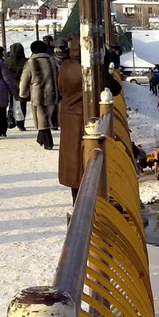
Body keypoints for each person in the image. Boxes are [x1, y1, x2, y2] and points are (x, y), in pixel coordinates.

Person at [57, 37, 122, 201]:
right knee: (87, 160)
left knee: (72, 161)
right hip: (87, 118)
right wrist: (105, 67)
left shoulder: (65, 66)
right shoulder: (93, 69)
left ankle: (76, 201)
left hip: (68, 116)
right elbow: (115, 88)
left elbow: (60, 88)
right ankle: (90, 202)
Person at [19, 40, 58, 149]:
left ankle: (48, 143)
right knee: (47, 116)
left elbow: (25, 79)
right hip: (52, 92)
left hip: (38, 94)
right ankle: (41, 139)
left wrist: (23, 93)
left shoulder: (31, 63)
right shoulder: (52, 61)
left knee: (42, 119)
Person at [4, 42, 28, 130]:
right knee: (22, 104)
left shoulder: (7, 61)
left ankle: (11, 119)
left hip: (10, 85)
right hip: (22, 84)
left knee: (11, 103)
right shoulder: (25, 61)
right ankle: (21, 123)